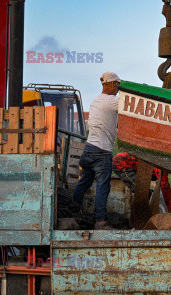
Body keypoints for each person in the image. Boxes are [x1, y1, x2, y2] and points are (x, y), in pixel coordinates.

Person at [73, 71, 121, 230]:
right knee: (103, 186)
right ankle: (100, 221)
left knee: (84, 182)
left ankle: (72, 212)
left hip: (89, 149)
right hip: (102, 152)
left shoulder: (96, 101)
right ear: (113, 84)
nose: (118, 89)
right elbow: (132, 107)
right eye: (118, 86)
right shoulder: (111, 101)